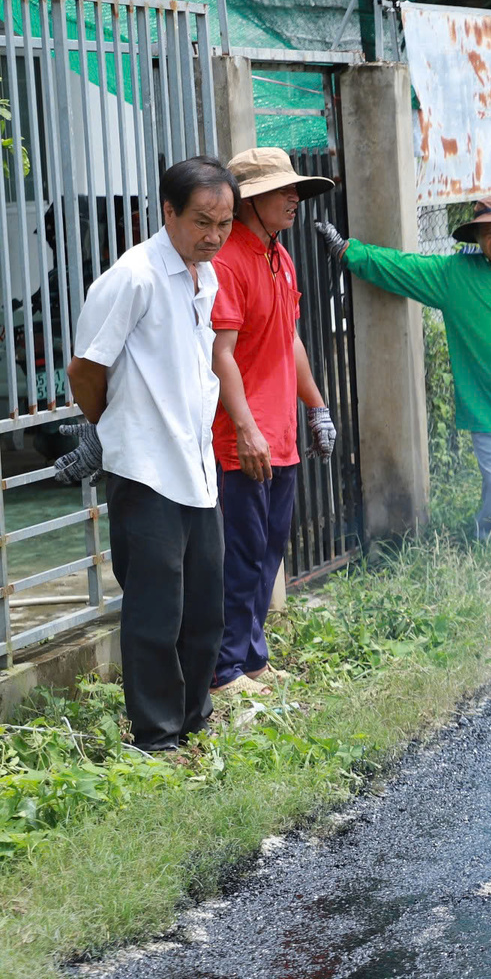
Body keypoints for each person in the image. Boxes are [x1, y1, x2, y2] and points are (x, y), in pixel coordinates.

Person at [53, 157, 238, 750]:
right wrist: (113, 427)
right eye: (202, 221)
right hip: (144, 468)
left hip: (196, 466)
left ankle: (193, 722)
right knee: (156, 614)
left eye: (226, 223)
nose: (214, 236)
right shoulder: (133, 276)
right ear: (168, 213)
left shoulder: (205, 275)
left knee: (205, 608)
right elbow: (85, 368)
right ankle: (157, 738)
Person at [314, 196, 491, 571]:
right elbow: (403, 268)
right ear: (478, 238)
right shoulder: (454, 275)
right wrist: (348, 251)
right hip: (488, 410)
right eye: (489, 232)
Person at [208, 148, 339, 697]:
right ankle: (222, 672)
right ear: (248, 202)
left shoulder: (278, 256)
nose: (293, 199)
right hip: (243, 437)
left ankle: (252, 659)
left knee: (268, 553)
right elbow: (221, 354)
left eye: (294, 190)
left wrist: (317, 405)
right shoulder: (227, 260)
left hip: (279, 434)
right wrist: (247, 427)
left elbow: (290, 338)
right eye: (282, 190)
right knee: (241, 555)